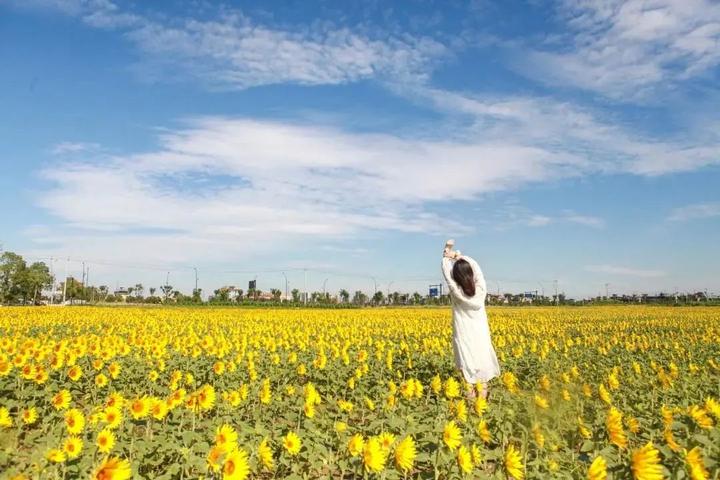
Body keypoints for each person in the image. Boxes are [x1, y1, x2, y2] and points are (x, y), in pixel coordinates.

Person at [441, 240, 500, 400]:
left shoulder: (456, 291)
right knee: (482, 377)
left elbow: (446, 271)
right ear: (471, 274)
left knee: (467, 377)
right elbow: (476, 267)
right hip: (480, 337)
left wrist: (447, 252)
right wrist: (459, 256)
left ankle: (470, 410)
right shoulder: (481, 290)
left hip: (464, 338)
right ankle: (481, 409)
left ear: (456, 276)